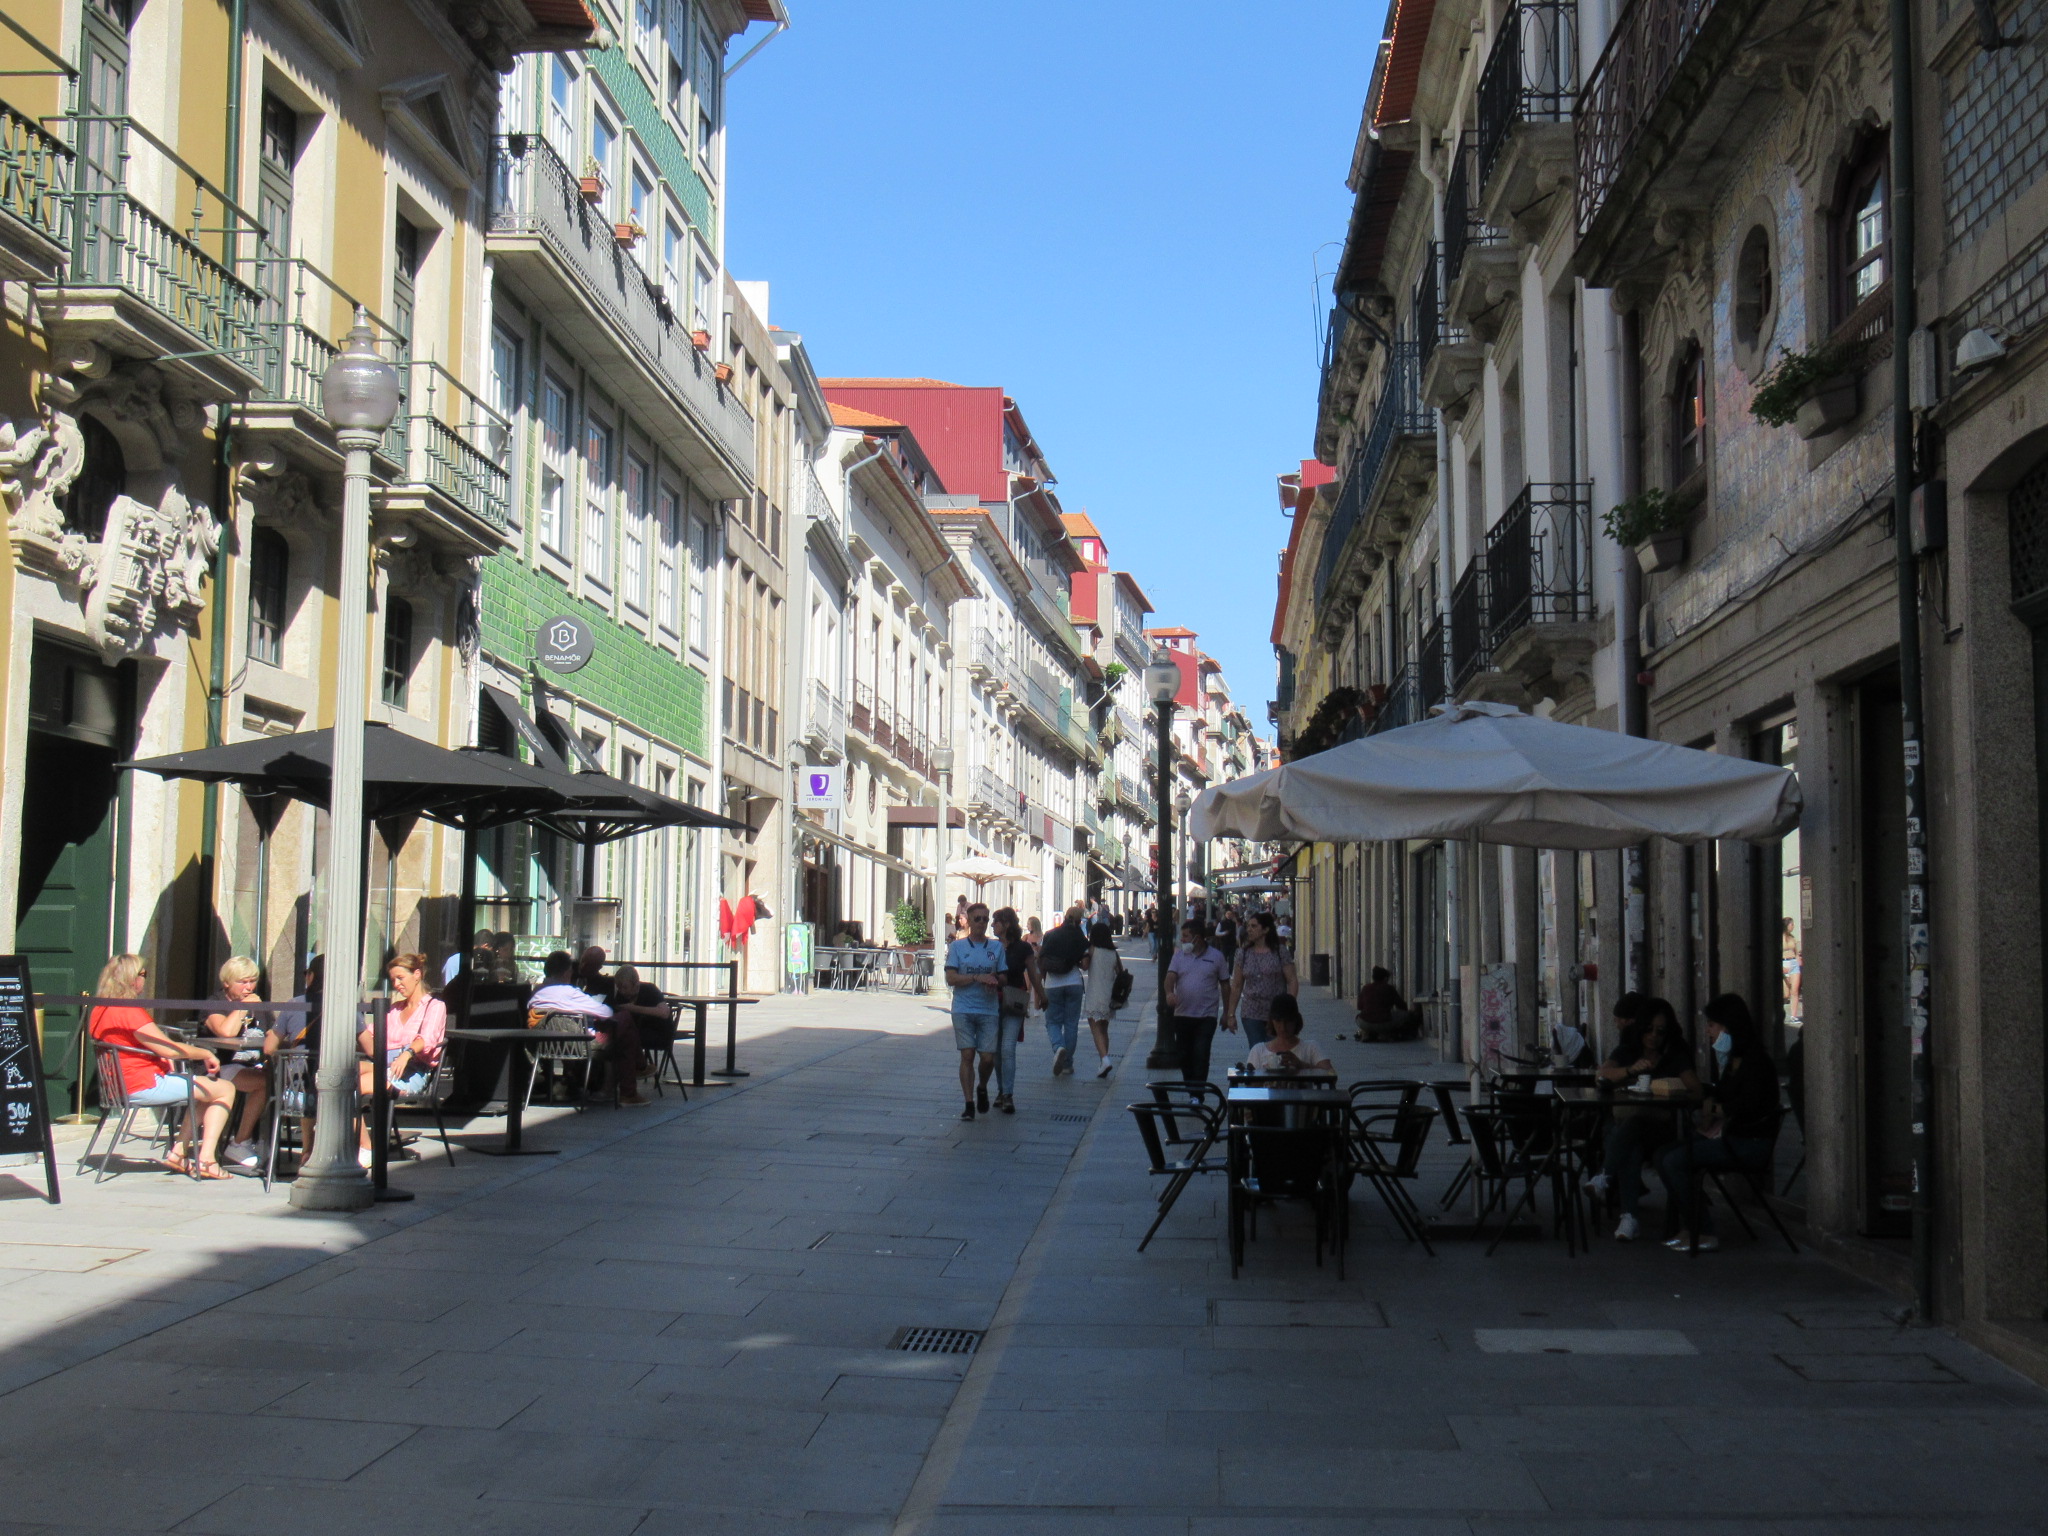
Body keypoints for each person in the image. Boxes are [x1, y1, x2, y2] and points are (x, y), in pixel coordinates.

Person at [87, 953, 239, 1179]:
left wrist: (157, 1055)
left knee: (206, 1089)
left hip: (118, 1087)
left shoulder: (100, 1009)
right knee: (225, 1089)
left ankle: (179, 1152)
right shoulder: (129, 1011)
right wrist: (205, 1053)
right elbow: (170, 1049)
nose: (145, 979)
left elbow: (137, 1045)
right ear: (131, 978)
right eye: (143, 974)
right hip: (142, 1085)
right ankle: (206, 1159)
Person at [1655, 993, 1778, 1251]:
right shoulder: (1733, 1060)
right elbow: (1723, 1093)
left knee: (1675, 1161)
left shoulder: (1755, 1062)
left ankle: (1704, 1231)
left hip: (1749, 1142)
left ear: (1728, 1027)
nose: (1708, 1032)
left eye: (1712, 1026)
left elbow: (1750, 1105)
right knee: (1663, 1155)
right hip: (1733, 1136)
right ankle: (1690, 1226)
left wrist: (1719, 1108)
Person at [1590, 996, 1699, 1241]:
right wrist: (1629, 1071)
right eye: (1648, 1030)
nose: (1653, 1036)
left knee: (1632, 1130)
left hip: (1663, 1128)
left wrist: (1669, 1087)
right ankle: (1630, 1217)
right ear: (1639, 1028)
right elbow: (1601, 1075)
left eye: (1660, 1031)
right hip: (1628, 1126)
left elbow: (1696, 1090)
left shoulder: (1674, 1053)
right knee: (1631, 1144)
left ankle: (1606, 1178)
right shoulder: (1628, 1049)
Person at [355, 953, 448, 1159]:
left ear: (417, 974)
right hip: (386, 1063)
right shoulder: (396, 1010)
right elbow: (372, 1032)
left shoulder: (434, 1007)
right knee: (345, 1075)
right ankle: (355, 1142)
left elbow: (428, 1039)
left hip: (413, 1070)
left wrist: (407, 1054)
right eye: (393, 980)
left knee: (353, 1087)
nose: (396, 984)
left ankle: (366, 1149)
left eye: (400, 978)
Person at [200, 956, 273, 1168]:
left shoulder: (259, 1004)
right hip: (220, 1065)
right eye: (242, 982)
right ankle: (240, 1142)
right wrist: (242, 1008)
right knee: (265, 1083)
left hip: (254, 1064)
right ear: (226, 982)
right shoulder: (216, 1003)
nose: (249, 987)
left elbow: (272, 1034)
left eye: (252, 981)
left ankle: (263, 1140)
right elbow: (225, 1032)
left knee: (277, 1079)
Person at [944, 902, 1005, 1120]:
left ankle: (982, 1086)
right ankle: (969, 1103)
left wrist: (994, 980)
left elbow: (1004, 976)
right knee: (967, 1054)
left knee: (987, 1058)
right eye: (977, 919)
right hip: (963, 1008)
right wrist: (975, 977)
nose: (981, 923)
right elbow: (951, 978)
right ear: (968, 921)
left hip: (988, 1009)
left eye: (985, 919)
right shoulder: (958, 948)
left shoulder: (996, 948)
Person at [990, 907, 1044, 1114]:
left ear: (1007, 924)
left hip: (1014, 1001)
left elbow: (1033, 972)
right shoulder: (991, 947)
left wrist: (1042, 995)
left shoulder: (1023, 948)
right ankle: (1001, 1089)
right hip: (992, 1001)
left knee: (1008, 1047)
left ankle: (1008, 1094)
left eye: (996, 921)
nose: (992, 925)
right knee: (995, 1051)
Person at [1164, 920, 1232, 1083]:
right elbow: (1170, 977)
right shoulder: (1179, 956)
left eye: (1186, 936)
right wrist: (1168, 993)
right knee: (1184, 1054)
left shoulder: (1216, 957)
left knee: (1201, 1053)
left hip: (1206, 1015)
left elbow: (1225, 985)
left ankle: (1197, 1093)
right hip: (1182, 1013)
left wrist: (1227, 1013)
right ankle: (1191, 1086)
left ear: (1198, 938)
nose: (1182, 940)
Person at [1224, 912, 1297, 1051]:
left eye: (1254, 926)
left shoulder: (1279, 952)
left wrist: (1290, 1006)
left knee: (1276, 1050)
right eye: (1248, 926)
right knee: (1256, 1049)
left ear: (1266, 929)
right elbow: (1237, 986)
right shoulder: (1243, 953)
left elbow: (1292, 980)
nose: (1249, 929)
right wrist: (1231, 1014)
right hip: (1251, 1011)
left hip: (1276, 1011)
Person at [1038, 904, 1089, 1075]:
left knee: (1052, 1022)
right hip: (1074, 982)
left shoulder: (1050, 935)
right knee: (1071, 1024)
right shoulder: (1080, 937)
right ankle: (1067, 1063)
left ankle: (1058, 1046)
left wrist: (1041, 987)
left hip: (1053, 984)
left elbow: (1042, 961)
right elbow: (1085, 965)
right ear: (1080, 920)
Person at [601, 964, 662, 1107]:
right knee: (625, 1040)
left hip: (652, 1031)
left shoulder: (649, 990)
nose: (622, 991)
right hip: (630, 1036)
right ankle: (639, 1067)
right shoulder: (617, 995)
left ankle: (608, 1089)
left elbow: (663, 1013)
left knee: (623, 1032)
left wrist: (631, 1008)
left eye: (625, 987)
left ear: (636, 984)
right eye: (619, 987)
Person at [1079, 920, 1123, 1077]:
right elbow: (1120, 972)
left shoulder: (1092, 949)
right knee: (1104, 1029)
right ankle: (1103, 1062)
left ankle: (1105, 1059)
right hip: (1109, 994)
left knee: (1095, 1028)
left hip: (1095, 992)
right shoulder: (1113, 952)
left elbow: (1084, 966)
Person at [1245, 994, 1332, 1074]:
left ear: (1296, 1021)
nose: (1283, 1028)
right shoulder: (1258, 1051)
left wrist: (1301, 1065)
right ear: (1272, 1021)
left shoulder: (1311, 1048)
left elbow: (1330, 1073)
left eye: (1288, 1022)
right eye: (1278, 1021)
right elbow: (1249, 1085)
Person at [1354, 966, 1406, 1041]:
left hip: (1364, 1022)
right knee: (1404, 1015)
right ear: (1385, 978)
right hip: (1384, 1022)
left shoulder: (1366, 988)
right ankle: (1384, 1034)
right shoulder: (1389, 988)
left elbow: (1359, 1006)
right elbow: (1401, 1006)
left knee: (1359, 1017)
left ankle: (1367, 1033)